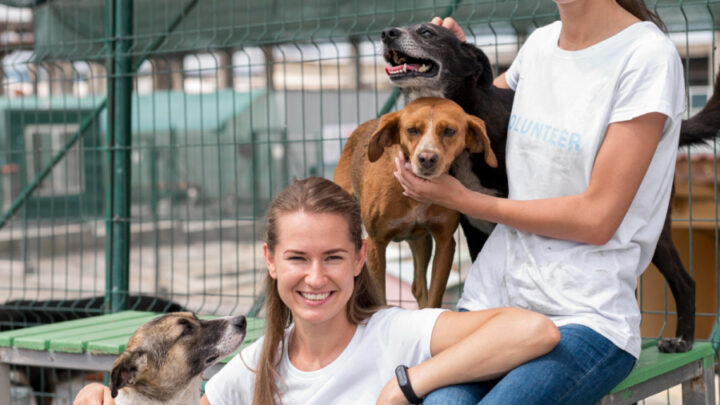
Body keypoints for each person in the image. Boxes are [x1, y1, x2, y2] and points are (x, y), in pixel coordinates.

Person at [396, 1, 685, 404]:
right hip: (494, 301)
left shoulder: (646, 57)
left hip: (585, 314)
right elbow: (474, 112)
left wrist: (466, 200)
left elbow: (597, 219)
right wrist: (449, 60)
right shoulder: (539, 45)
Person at [73, 177, 559, 405]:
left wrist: (410, 384)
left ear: (361, 257)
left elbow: (533, 331)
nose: (315, 278)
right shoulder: (251, 366)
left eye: (332, 257)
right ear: (270, 260)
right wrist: (96, 393)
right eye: (298, 258)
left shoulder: (394, 335)